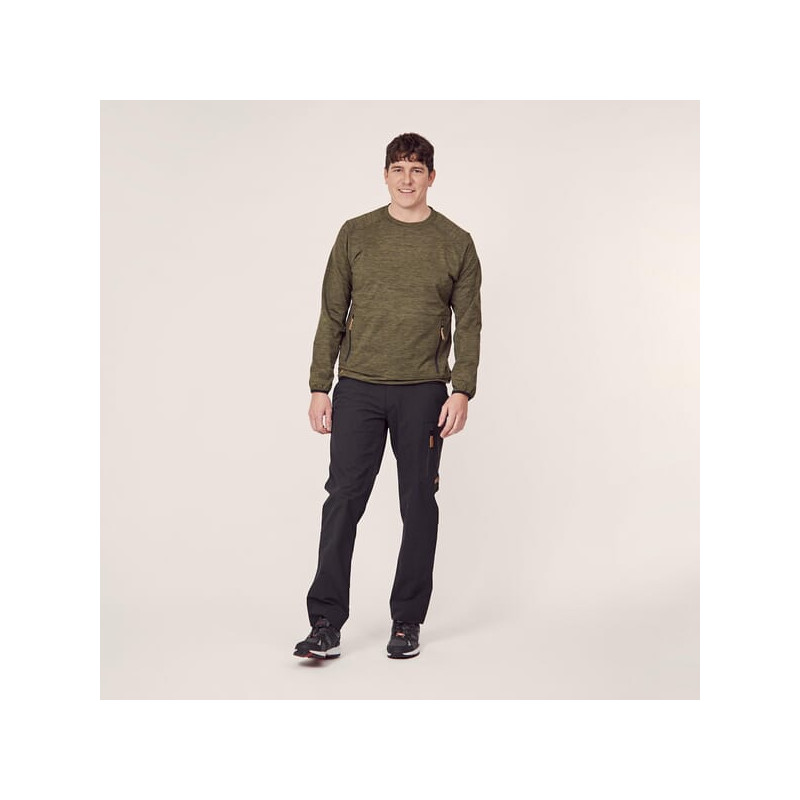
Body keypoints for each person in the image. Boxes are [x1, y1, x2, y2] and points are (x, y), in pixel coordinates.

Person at [293, 132, 482, 660]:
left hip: (424, 391)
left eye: (417, 169)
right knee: (342, 501)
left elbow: (469, 323)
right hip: (357, 388)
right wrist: (320, 386)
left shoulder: (456, 242)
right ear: (384, 175)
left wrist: (462, 389)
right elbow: (332, 313)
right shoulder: (356, 233)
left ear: (431, 177)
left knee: (419, 504)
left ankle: (407, 622)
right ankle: (325, 622)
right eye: (398, 168)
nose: (407, 179)